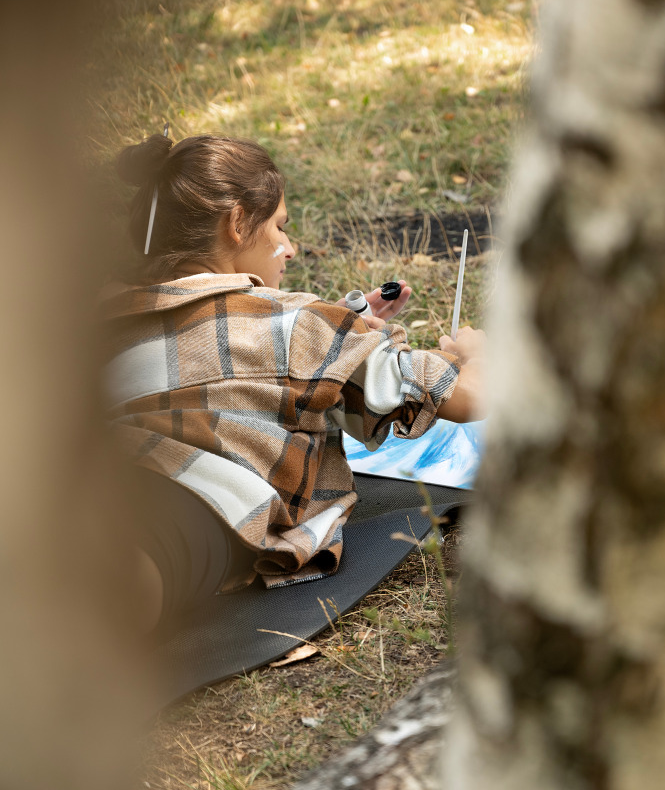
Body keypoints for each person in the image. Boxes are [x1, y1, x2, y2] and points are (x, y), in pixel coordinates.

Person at [103, 133, 486, 634]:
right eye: (281, 226)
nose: (291, 247)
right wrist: (478, 356)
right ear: (237, 223)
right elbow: (468, 397)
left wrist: (337, 334)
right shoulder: (301, 324)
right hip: (178, 511)